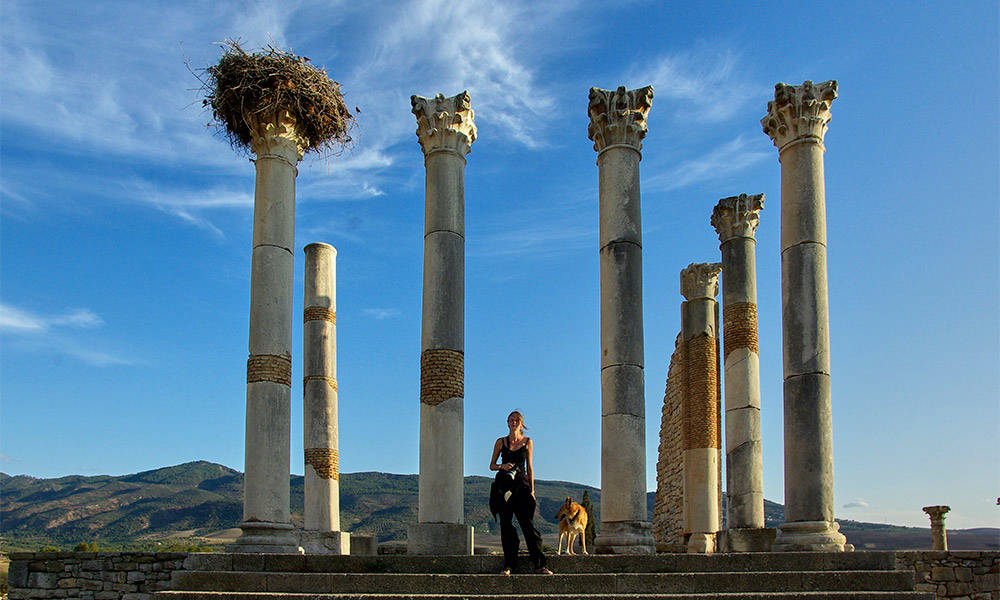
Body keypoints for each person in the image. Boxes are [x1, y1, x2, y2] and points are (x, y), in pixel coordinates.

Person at [489, 410, 552, 575]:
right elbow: (492, 465)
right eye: (511, 420)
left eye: (517, 420)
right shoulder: (500, 442)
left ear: (522, 423)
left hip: (522, 485)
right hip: (504, 486)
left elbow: (530, 467)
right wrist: (502, 466)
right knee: (506, 526)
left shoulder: (528, 442)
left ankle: (539, 564)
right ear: (507, 423)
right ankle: (509, 565)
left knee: (528, 525)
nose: (514, 422)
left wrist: (532, 490)